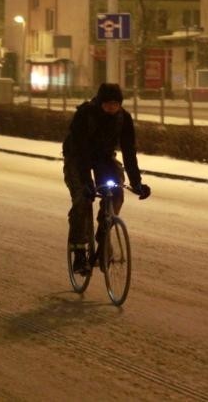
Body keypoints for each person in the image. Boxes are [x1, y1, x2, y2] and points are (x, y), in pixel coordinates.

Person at [62, 82, 151, 275]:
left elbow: (129, 152)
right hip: (78, 158)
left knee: (117, 192)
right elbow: (81, 149)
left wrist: (136, 182)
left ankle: (103, 232)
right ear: (100, 102)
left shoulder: (123, 119)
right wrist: (87, 182)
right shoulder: (85, 115)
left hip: (103, 158)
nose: (112, 108)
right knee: (83, 199)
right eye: (108, 104)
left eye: (116, 104)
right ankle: (79, 251)